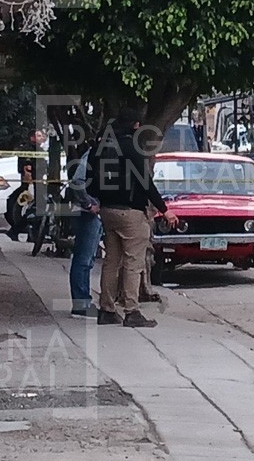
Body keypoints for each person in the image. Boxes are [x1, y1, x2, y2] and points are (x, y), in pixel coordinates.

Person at [86, 108, 179, 328]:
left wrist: (100, 200)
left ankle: (106, 310)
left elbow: (89, 180)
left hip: (106, 211)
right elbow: (145, 181)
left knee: (111, 261)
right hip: (130, 213)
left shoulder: (100, 147)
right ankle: (132, 311)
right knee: (133, 263)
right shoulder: (131, 147)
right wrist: (164, 209)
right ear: (136, 125)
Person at [66, 140, 102, 318]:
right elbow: (77, 180)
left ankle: (82, 301)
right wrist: (89, 204)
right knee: (84, 258)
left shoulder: (97, 154)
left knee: (87, 258)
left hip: (91, 211)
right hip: (88, 213)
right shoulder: (93, 154)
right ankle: (81, 304)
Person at [6, 129, 45, 241]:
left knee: (36, 209)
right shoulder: (29, 149)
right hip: (31, 184)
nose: (42, 138)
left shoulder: (38, 149)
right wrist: (30, 182)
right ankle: (16, 230)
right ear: (32, 137)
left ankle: (32, 235)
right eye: (39, 136)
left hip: (37, 182)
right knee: (32, 210)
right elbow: (27, 168)